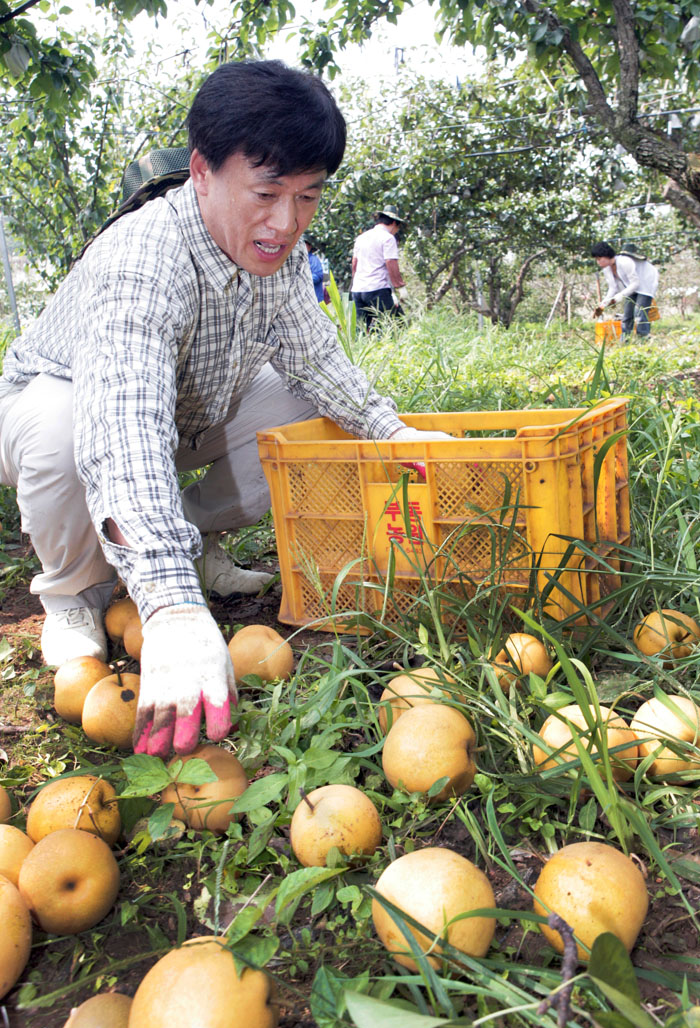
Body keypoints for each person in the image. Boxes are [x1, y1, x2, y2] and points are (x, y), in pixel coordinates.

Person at [0, 59, 447, 759]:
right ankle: (73, 589)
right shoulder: (142, 256)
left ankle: (192, 539)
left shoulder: (283, 256)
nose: (286, 222)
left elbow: (319, 362)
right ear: (203, 171)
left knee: (309, 404)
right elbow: (121, 426)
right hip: (58, 414)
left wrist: (397, 433)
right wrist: (172, 608)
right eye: (267, 193)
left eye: (308, 197)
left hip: (185, 417)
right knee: (63, 429)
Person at [591, 241, 659, 340]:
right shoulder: (607, 269)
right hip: (629, 287)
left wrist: (619, 296)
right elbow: (612, 288)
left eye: (599, 259)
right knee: (628, 313)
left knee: (640, 312)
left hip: (646, 282)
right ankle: (625, 339)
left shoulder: (624, 262)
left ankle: (643, 338)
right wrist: (603, 304)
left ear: (607, 256)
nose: (598, 262)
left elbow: (636, 283)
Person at [351, 205, 407, 327]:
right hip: (377, 289)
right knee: (392, 327)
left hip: (358, 290)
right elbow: (391, 263)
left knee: (362, 329)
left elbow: (354, 264)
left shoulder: (361, 238)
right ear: (394, 223)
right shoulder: (388, 238)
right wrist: (400, 287)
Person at [304, 235, 326, 302]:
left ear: (310, 247)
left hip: (314, 299)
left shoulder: (313, 259)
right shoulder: (300, 260)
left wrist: (302, 279)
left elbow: (317, 277)